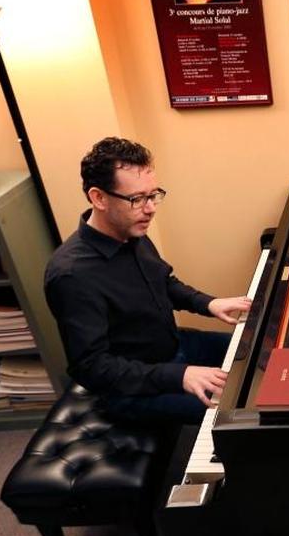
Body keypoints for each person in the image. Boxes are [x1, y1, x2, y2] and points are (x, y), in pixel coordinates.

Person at [44, 137, 251, 426]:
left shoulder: (131, 228)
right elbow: (90, 367)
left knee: (257, 358)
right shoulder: (72, 275)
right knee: (240, 413)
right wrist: (180, 376)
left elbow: (163, 282)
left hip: (173, 348)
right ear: (98, 198)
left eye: (153, 195)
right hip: (131, 390)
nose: (151, 208)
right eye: (137, 199)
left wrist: (208, 303)